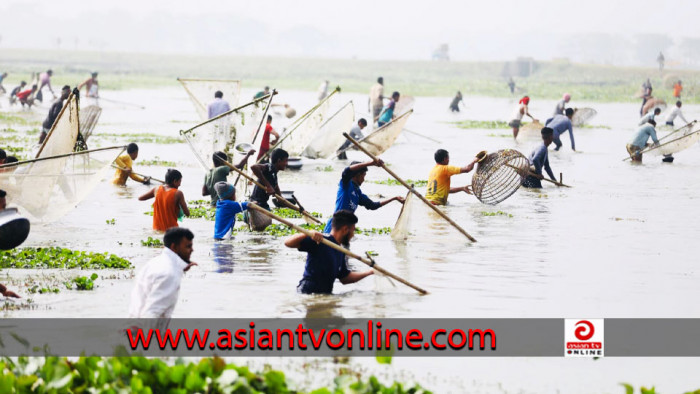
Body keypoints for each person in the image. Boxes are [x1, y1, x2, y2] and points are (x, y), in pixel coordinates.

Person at [286, 210, 373, 294]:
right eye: (353, 230)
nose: (353, 235)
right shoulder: (321, 240)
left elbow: (345, 278)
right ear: (345, 229)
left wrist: (370, 272)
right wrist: (308, 233)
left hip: (325, 295)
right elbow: (288, 243)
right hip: (307, 293)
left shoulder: (340, 250)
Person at [128, 227, 198, 320]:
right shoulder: (169, 274)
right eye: (188, 246)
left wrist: (181, 268)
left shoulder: (156, 262)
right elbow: (151, 313)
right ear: (174, 247)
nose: (192, 250)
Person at [323, 160, 404, 233]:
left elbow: (373, 205)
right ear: (358, 175)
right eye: (363, 175)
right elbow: (346, 171)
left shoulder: (358, 194)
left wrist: (394, 198)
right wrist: (371, 163)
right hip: (333, 227)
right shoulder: (346, 185)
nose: (364, 179)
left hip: (344, 230)